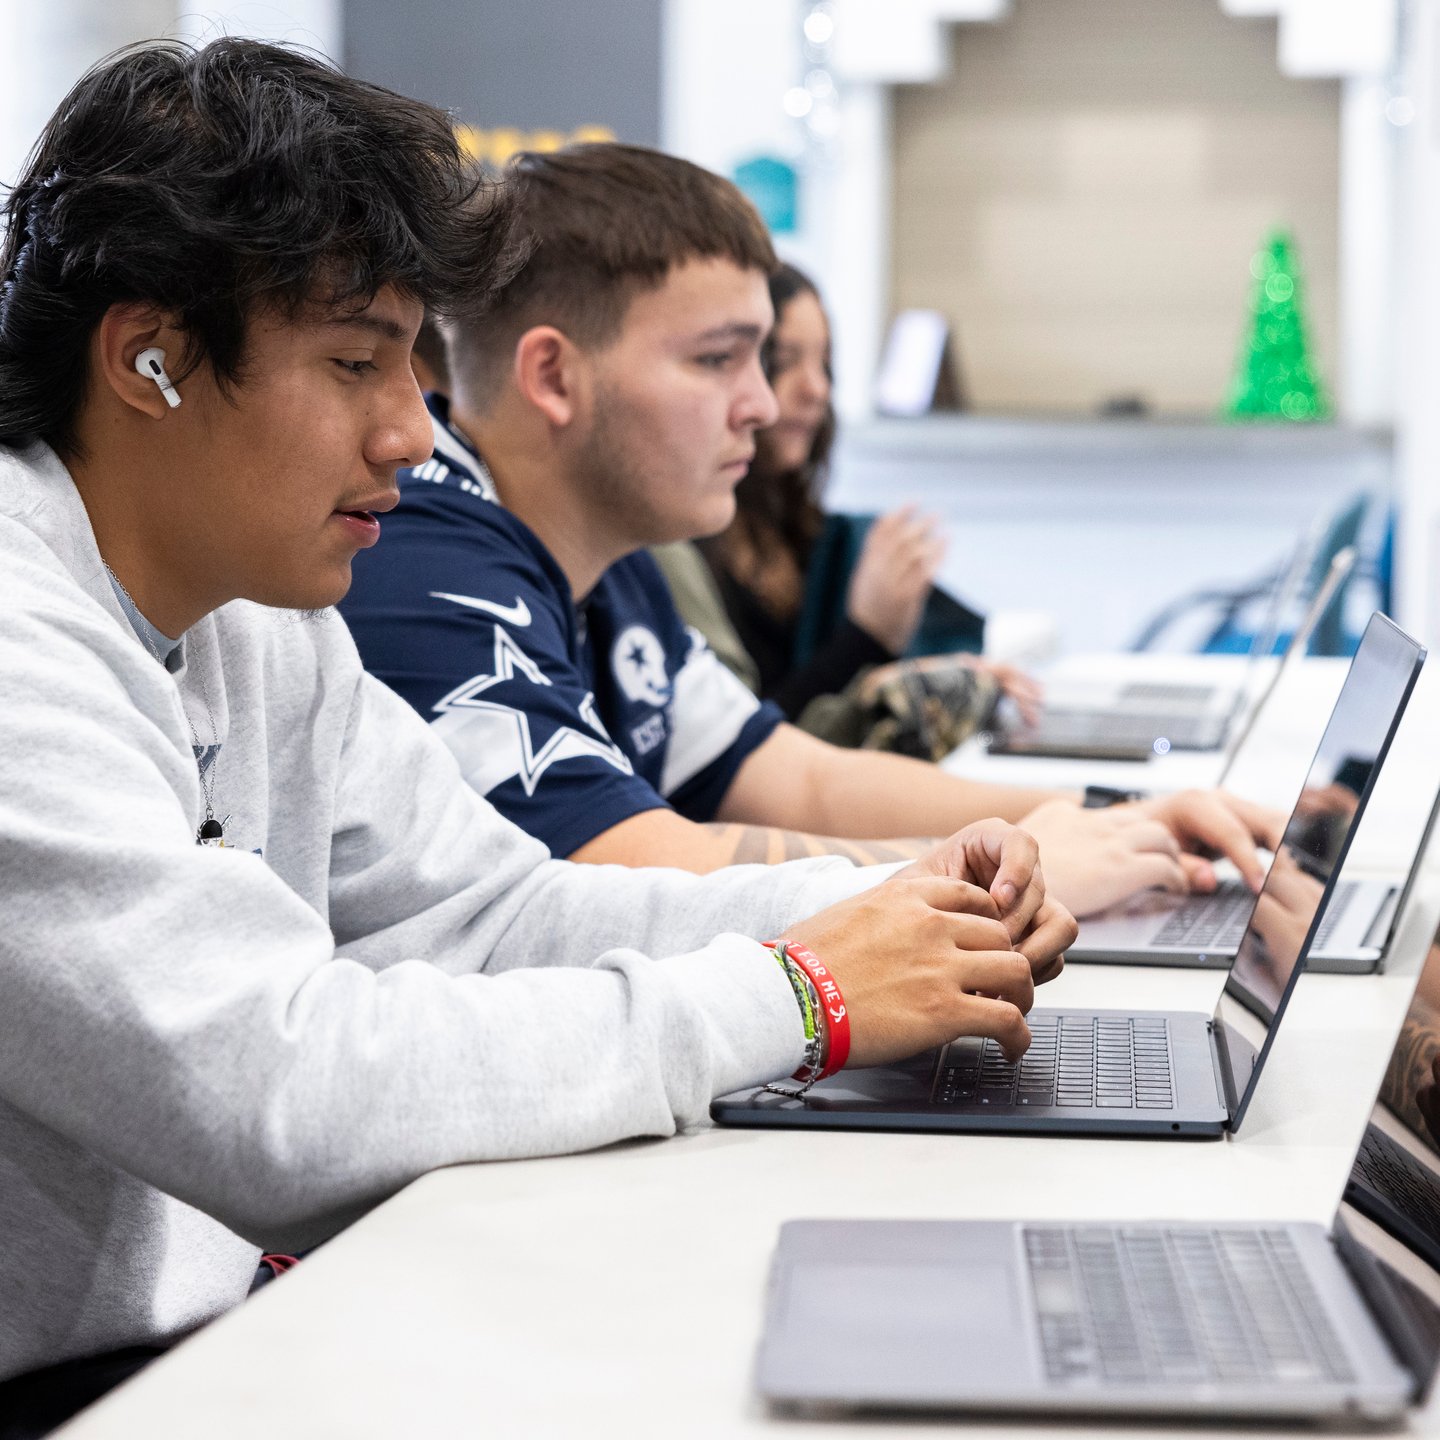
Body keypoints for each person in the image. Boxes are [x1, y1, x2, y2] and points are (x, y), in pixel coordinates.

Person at [0, 42, 1075, 1433]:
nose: (411, 431)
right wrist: (801, 994)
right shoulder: (27, 643)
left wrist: (888, 908)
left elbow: (489, 912)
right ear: (149, 357)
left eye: (412, 365)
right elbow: (278, 1096)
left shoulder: (261, 612)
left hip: (211, 1331)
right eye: (353, 366)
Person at [339, 142, 1280, 916]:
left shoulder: (599, 552)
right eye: (719, 360)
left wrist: (1112, 814)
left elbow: (798, 779)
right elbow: (626, 867)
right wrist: (1005, 867)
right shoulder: (425, 559)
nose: (760, 405)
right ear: (553, 379)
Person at [653, 261, 1041, 734]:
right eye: (785, 360)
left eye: (825, 363)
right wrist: (868, 636)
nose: (816, 388)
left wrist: (945, 681)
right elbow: (737, 752)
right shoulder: (675, 542)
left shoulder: (821, 538)